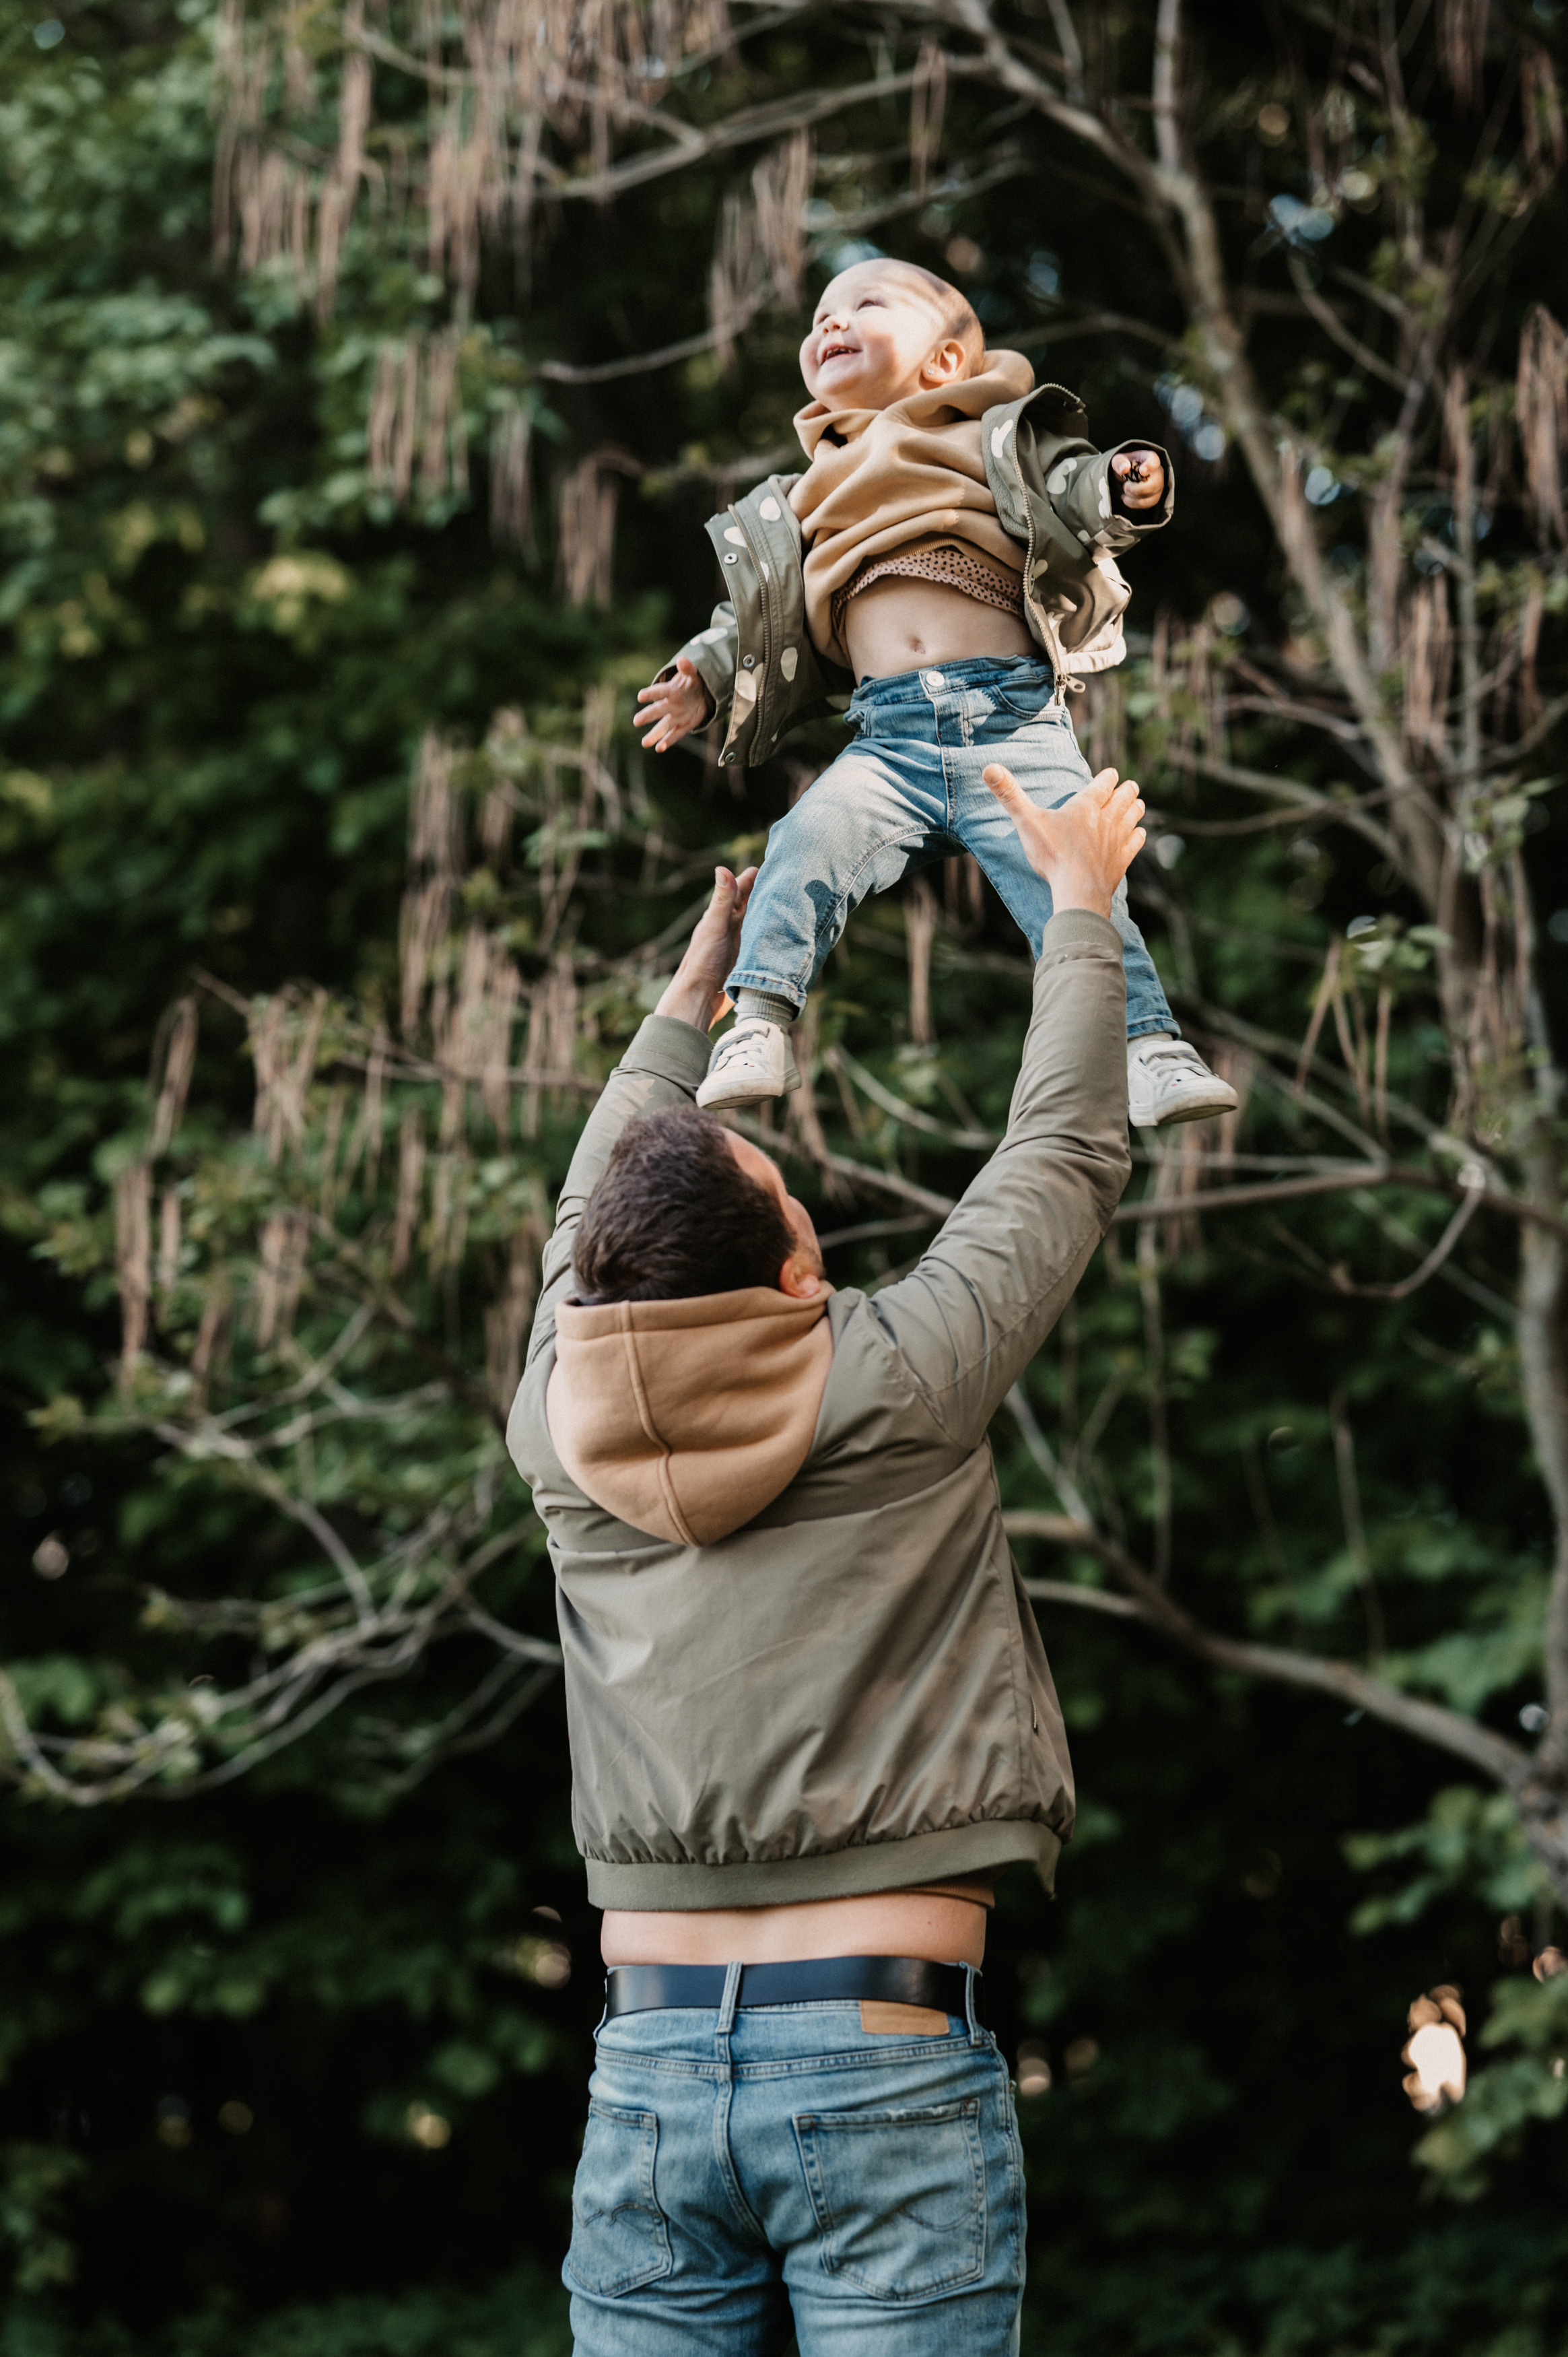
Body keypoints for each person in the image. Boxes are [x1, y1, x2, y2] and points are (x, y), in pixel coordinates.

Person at [506, 758, 1146, 2352]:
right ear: (790, 1272)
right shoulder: (894, 1377)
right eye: (795, 1199)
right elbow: (1058, 1157)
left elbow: (584, 1223)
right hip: (881, 2060)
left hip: (644, 2073)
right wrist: (1081, 910)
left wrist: (681, 1006)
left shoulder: (556, 1426)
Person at [632, 255, 1235, 1133]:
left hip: (1014, 721)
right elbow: (750, 614)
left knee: (1080, 876)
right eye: (818, 320)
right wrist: (701, 676)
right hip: (887, 738)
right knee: (803, 843)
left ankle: (1146, 1044)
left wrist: (1114, 483)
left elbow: (1069, 489)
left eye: (863, 306)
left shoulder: (991, 437)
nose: (828, 325)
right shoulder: (803, 493)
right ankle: (757, 1018)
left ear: (945, 361)